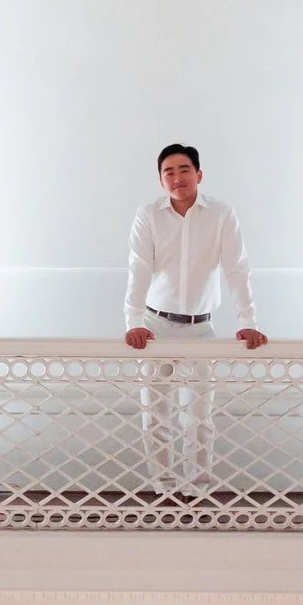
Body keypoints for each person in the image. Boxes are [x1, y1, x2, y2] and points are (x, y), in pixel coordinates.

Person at [123, 144, 266, 493]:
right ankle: (164, 489)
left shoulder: (221, 214)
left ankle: (197, 490)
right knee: (155, 415)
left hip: (201, 329)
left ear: (198, 175)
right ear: (160, 180)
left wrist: (247, 319)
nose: (177, 177)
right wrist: (134, 322)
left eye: (184, 169)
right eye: (168, 172)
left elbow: (236, 268)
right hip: (155, 328)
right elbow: (139, 268)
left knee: (199, 418)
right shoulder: (148, 215)